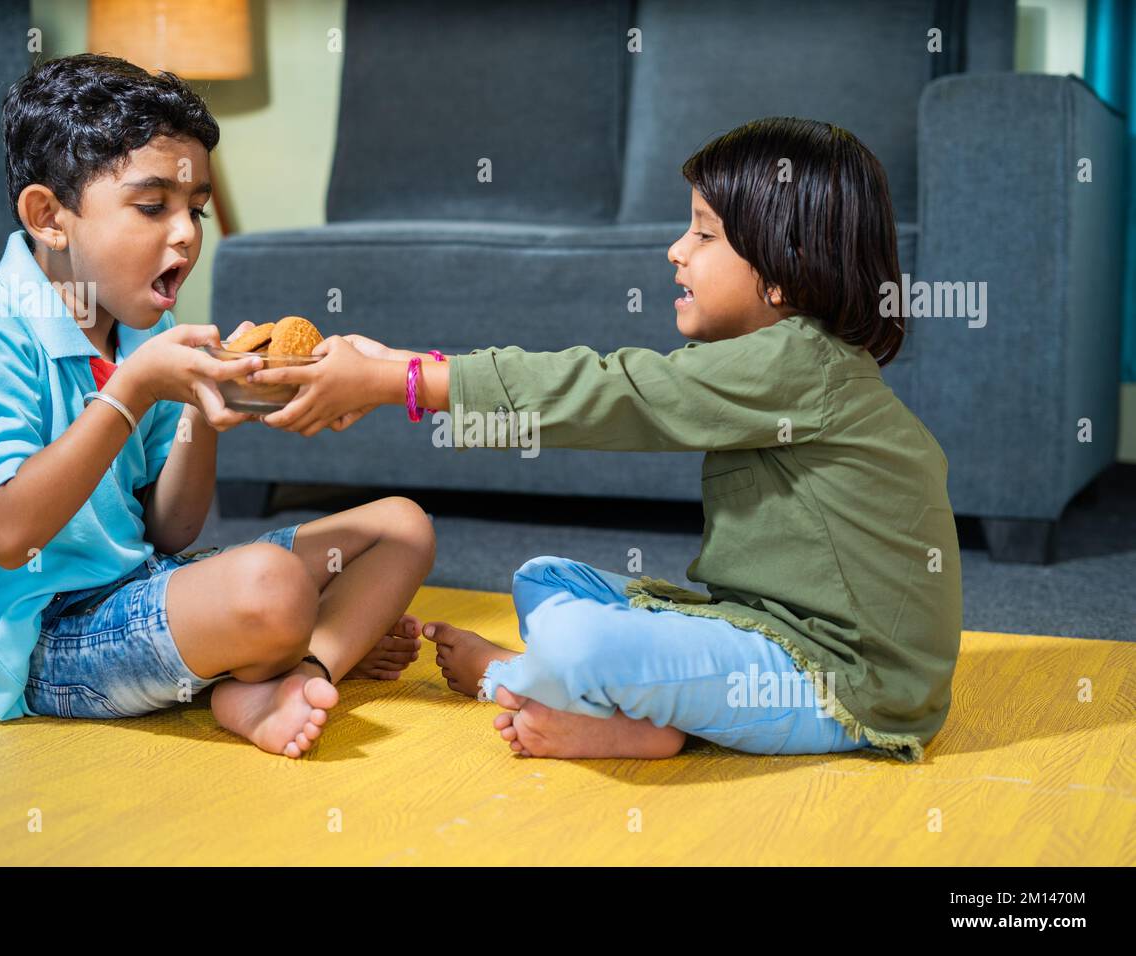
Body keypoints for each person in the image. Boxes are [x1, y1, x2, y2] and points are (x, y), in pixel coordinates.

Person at [251, 117, 962, 764]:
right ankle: (626, 710)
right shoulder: (792, 360)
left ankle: (525, 682)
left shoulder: (798, 362)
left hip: (846, 685)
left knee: (579, 642)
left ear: (784, 268)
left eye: (705, 235)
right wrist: (391, 369)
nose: (676, 250)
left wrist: (398, 381)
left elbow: (605, 391)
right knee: (545, 578)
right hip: (758, 631)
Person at [0, 54, 434, 758]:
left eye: (196, 209)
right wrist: (133, 389)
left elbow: (170, 531)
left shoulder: (135, 329)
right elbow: (5, 535)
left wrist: (199, 411)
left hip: (140, 585)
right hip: (47, 643)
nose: (186, 233)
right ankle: (286, 649)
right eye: (153, 207)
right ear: (48, 217)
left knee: (402, 527)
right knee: (272, 588)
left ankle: (296, 671)